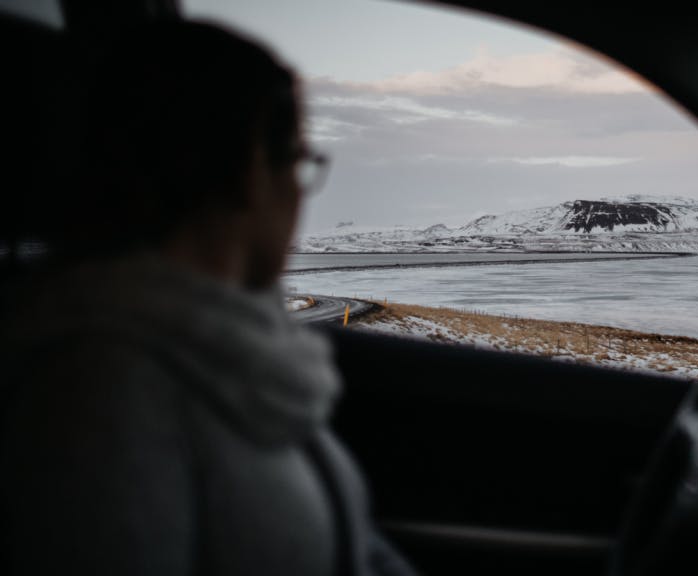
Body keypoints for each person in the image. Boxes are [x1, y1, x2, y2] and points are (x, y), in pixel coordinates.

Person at [0, 20, 416, 576]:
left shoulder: (238, 354)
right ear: (250, 168)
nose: (299, 189)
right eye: (296, 161)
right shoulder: (99, 395)